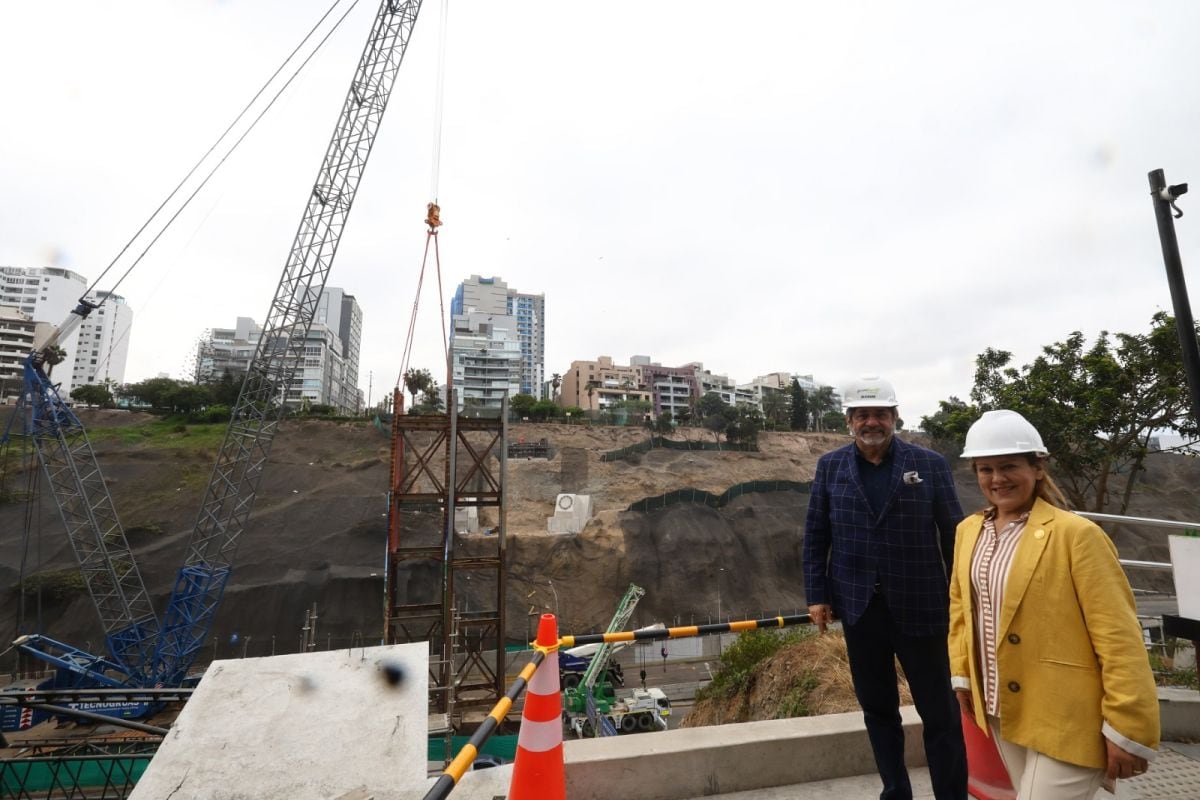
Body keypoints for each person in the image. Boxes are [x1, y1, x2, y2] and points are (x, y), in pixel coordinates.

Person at [949, 410, 1159, 798]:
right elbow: (961, 610)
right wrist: (962, 676)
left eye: (1009, 466)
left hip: (1068, 715)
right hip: (1000, 708)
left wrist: (1127, 727)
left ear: (1038, 468)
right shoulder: (968, 531)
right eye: (985, 469)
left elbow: (1119, 636)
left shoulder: (1076, 536)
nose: (997, 479)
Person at [803, 376, 967, 800]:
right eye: (862, 415)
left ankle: (951, 794)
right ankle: (896, 791)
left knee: (941, 712)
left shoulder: (929, 464)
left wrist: (961, 594)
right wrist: (816, 594)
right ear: (849, 421)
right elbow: (817, 533)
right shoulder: (830, 466)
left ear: (895, 417)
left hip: (923, 605)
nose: (871, 422)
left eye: (880, 414)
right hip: (859, 608)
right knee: (878, 710)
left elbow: (953, 534)